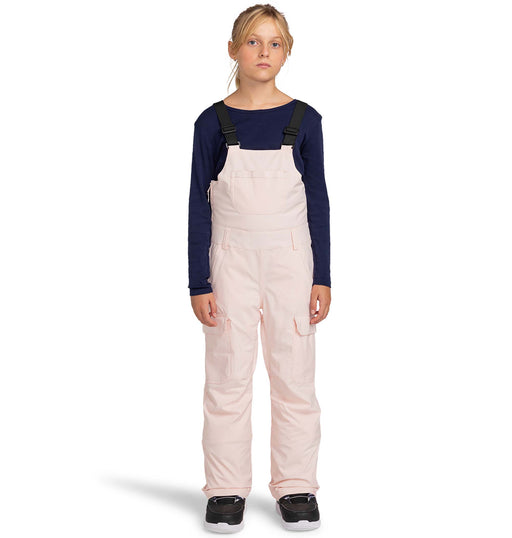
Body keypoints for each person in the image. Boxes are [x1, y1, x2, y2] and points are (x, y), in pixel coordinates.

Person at [187, 4, 331, 532]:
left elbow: (318, 201)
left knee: (294, 376)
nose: (263, 52)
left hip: (293, 260)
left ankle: (296, 485)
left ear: (287, 51)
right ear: (233, 50)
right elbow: (198, 204)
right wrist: (198, 281)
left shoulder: (305, 120)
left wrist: (323, 276)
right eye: (252, 42)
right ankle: (226, 488)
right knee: (227, 376)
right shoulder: (212, 122)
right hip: (230, 261)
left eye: (274, 43)